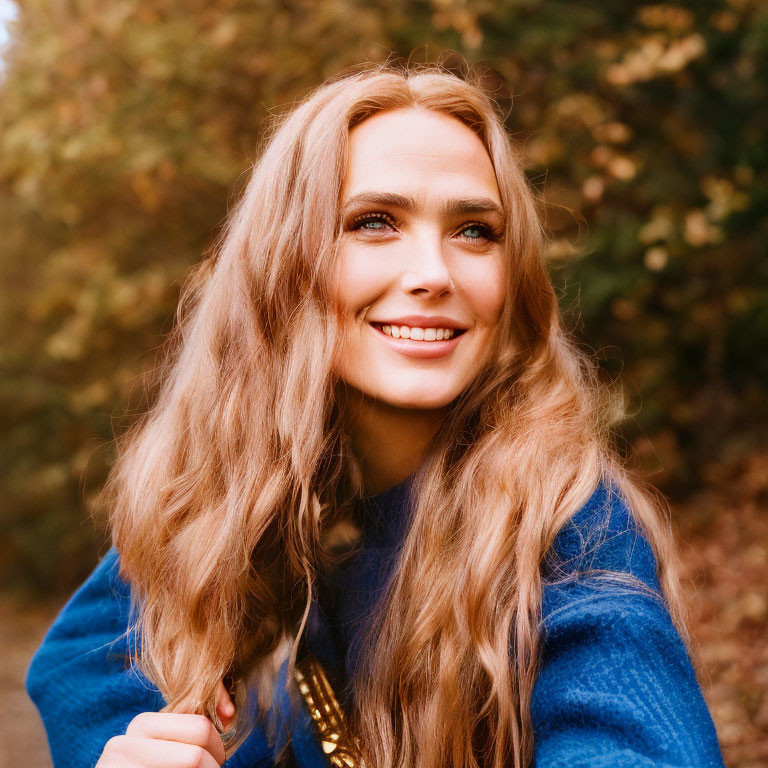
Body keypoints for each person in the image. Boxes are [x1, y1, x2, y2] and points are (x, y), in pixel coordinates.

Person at [26, 60, 726, 768]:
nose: (434, 273)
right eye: (374, 223)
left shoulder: (568, 522)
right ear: (284, 266)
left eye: (475, 231)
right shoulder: (239, 481)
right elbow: (82, 662)